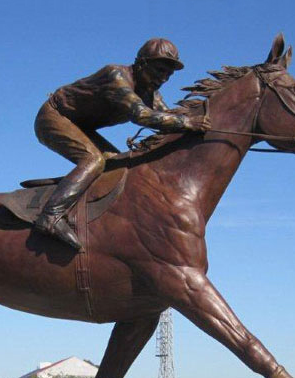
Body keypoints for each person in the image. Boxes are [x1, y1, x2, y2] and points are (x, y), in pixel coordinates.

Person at [33, 38, 211, 249]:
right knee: (94, 160)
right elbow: (142, 115)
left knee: (120, 166)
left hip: (81, 126)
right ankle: (50, 217)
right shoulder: (115, 75)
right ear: (141, 63)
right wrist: (188, 122)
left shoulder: (150, 93)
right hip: (55, 116)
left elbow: (166, 119)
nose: (163, 78)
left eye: (168, 75)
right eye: (159, 70)